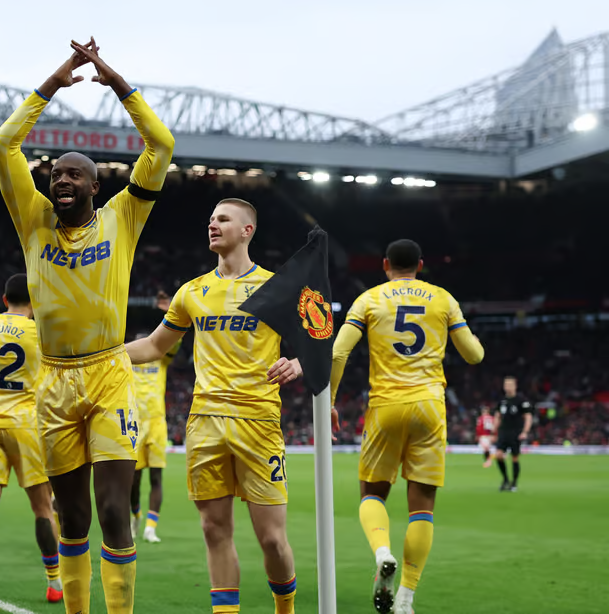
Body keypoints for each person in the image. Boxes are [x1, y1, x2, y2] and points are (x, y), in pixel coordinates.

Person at [0, 37, 174, 614]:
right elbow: (3, 143)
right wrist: (53, 83)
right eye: (55, 174)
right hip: (54, 383)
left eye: (75, 175)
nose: (61, 180)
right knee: (71, 515)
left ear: (97, 186)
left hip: (108, 376)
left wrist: (114, 81)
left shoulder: (124, 216)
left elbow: (161, 143)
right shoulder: (33, 220)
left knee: (115, 510)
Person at [126, 198, 304, 614]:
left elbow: (320, 343)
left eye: (223, 219)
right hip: (204, 422)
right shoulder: (192, 292)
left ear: (247, 231)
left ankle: (286, 609)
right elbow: (154, 345)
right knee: (213, 529)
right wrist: (102, 354)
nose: (212, 224)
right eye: (210, 219)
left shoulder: (277, 287)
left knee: (272, 539)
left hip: (258, 421)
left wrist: (296, 363)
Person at [329, 239, 485, 614]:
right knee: (423, 508)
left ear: (385, 264)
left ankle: (382, 552)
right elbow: (474, 355)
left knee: (372, 493)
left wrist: (330, 402)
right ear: (421, 265)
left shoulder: (369, 299)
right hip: (430, 406)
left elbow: (337, 351)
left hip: (385, 405)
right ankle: (406, 598)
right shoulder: (443, 299)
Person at [0, 274, 63, 612]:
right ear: (34, 301)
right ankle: (54, 582)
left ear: (4, 300)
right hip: (27, 427)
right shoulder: (42, 334)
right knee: (43, 509)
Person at [129, 295, 182, 545]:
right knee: (134, 480)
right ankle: (136, 515)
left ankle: (151, 527)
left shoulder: (161, 359)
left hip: (157, 423)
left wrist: (170, 313)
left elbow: (175, 340)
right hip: (134, 424)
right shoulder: (128, 361)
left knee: (156, 477)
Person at [493, 376, 533, 492]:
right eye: (506, 385)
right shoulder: (502, 401)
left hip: (516, 433)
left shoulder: (521, 401)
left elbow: (528, 417)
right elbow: (497, 416)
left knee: (514, 458)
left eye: (510, 385)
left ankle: (514, 483)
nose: (508, 387)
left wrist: (525, 432)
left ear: (515, 386)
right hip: (503, 432)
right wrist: (494, 430)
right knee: (498, 455)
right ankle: (505, 479)